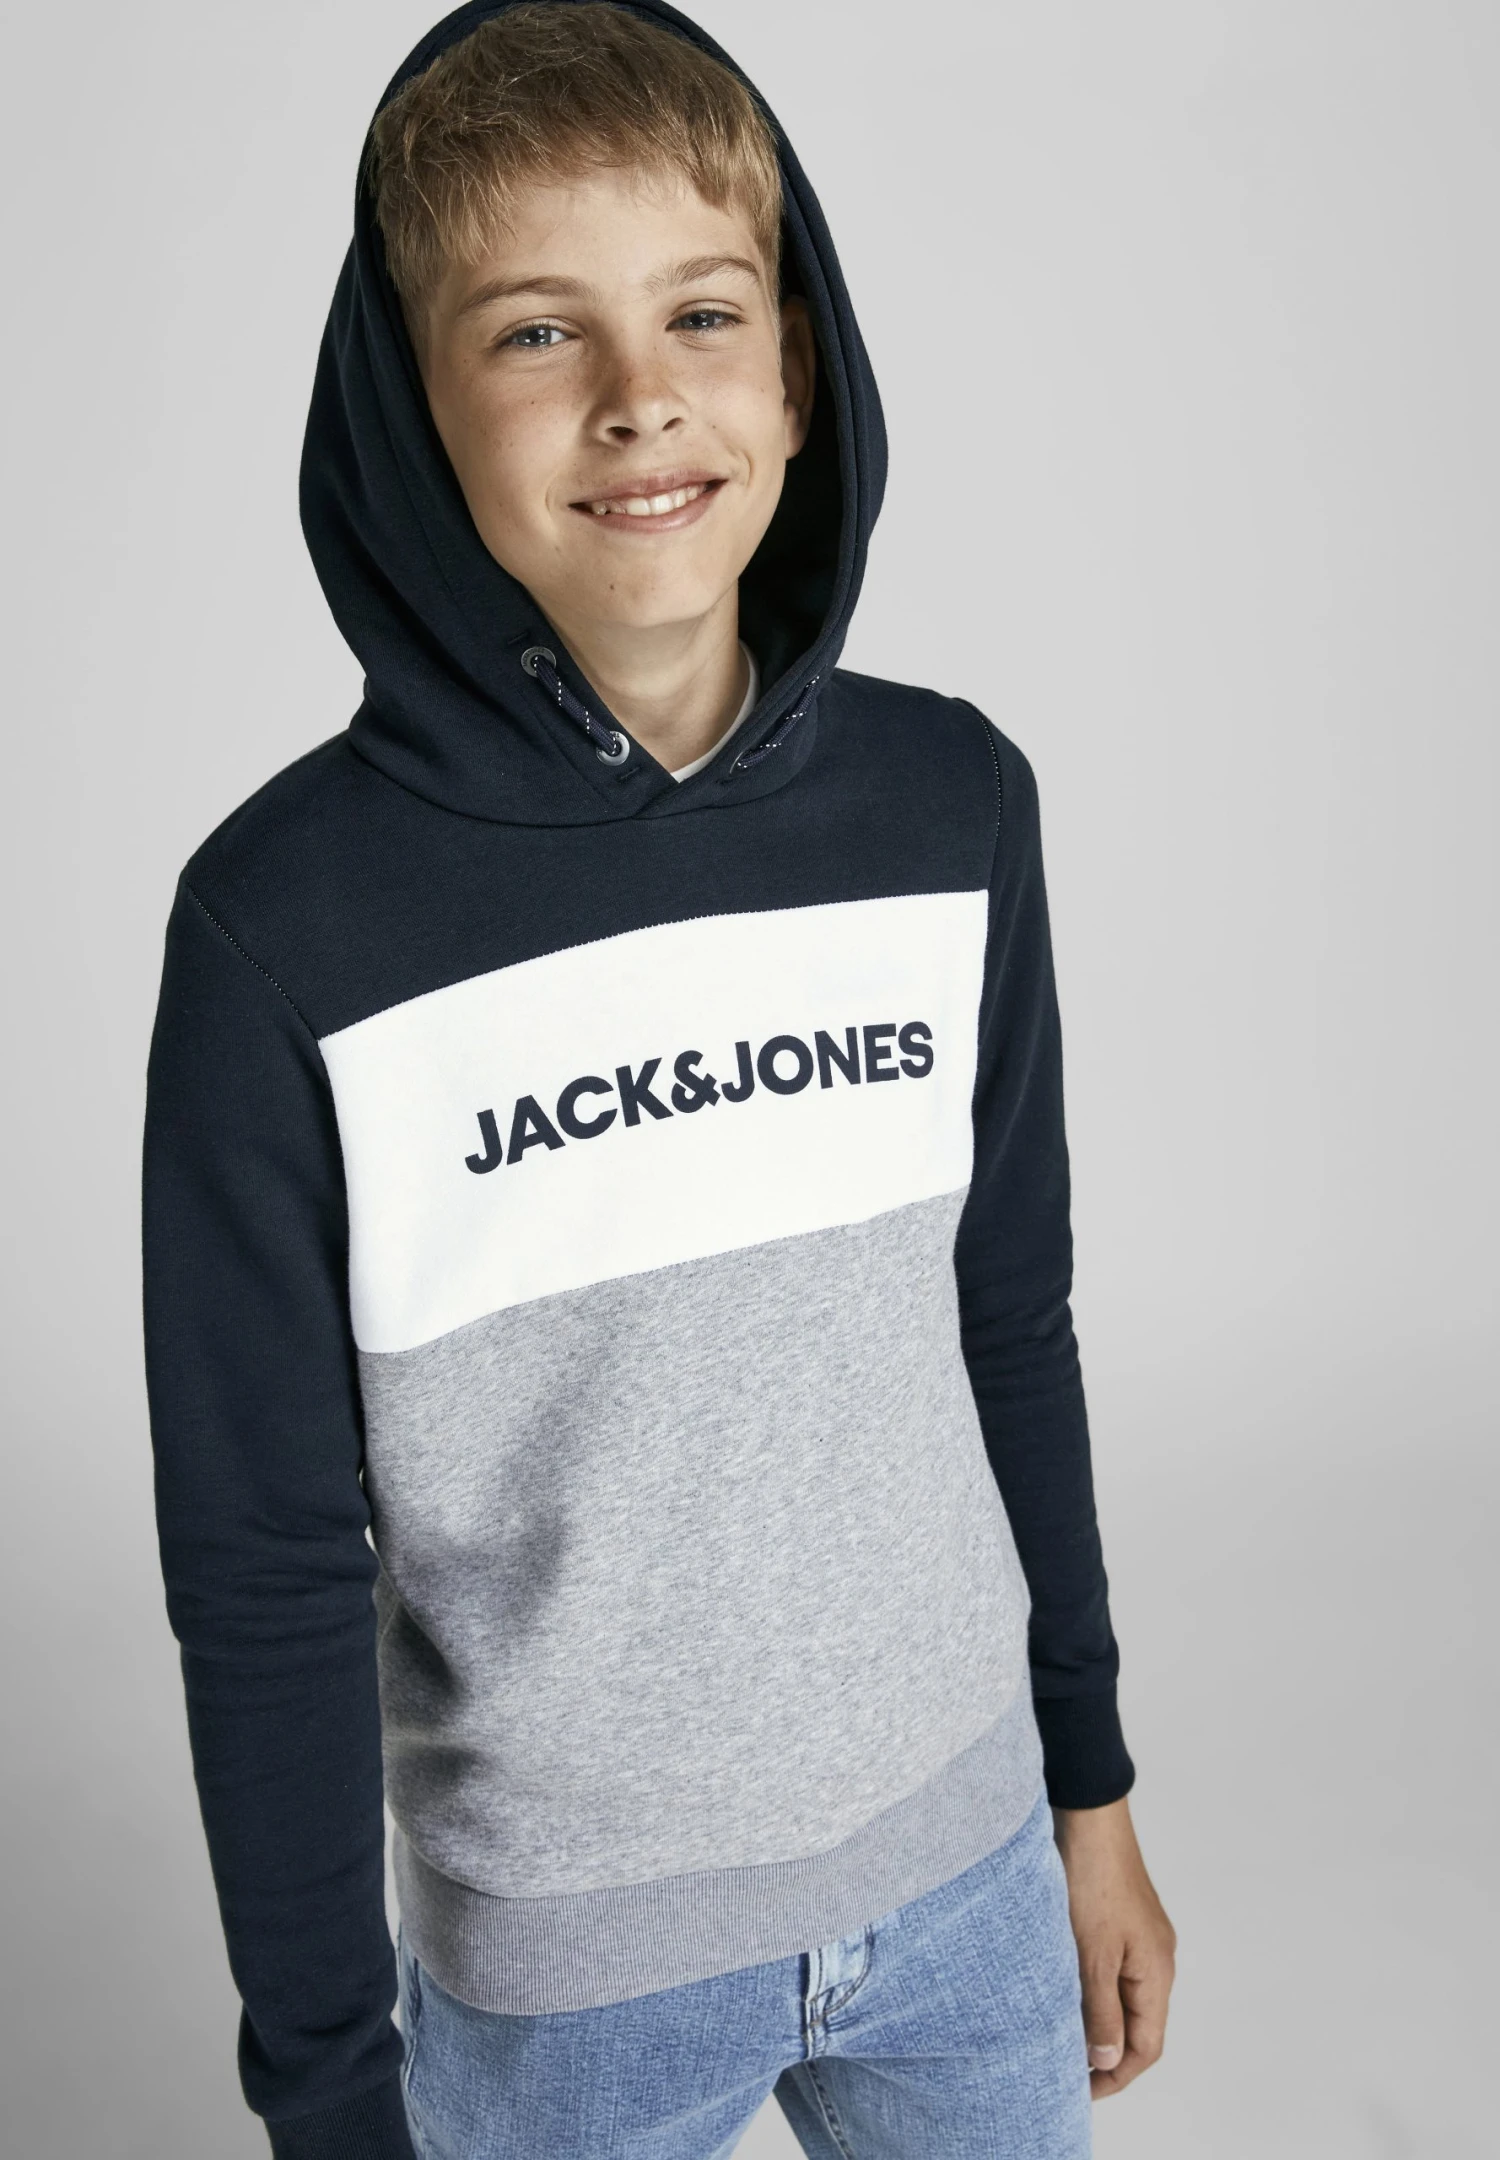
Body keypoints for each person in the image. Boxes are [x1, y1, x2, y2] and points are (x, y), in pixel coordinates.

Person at [141, 4, 1176, 2155]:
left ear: (794, 367)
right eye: (537, 333)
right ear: (408, 405)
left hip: (975, 1882)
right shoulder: (284, 930)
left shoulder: (954, 809)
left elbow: (1008, 1322)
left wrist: (1090, 1790)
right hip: (566, 1999)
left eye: (702, 311)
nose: (639, 394)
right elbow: (263, 1559)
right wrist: (330, 2093)